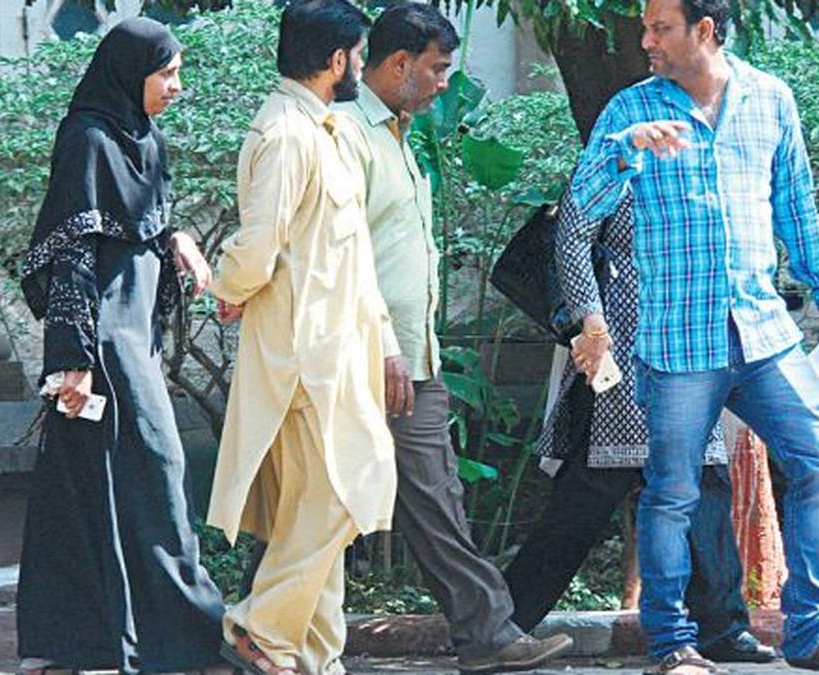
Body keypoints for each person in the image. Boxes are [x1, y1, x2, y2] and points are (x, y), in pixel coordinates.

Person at [570, 0, 819, 672]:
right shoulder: (631, 109)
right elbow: (582, 206)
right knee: (672, 492)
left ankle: (810, 634)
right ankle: (673, 643)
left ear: (705, 30)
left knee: (818, 463)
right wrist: (626, 150)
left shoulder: (770, 98)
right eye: (645, 27)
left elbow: (795, 203)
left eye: (660, 27)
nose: (646, 40)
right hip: (679, 341)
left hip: (763, 332)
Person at [334, 4, 574, 672]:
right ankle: (254, 622)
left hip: (411, 360)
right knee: (321, 503)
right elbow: (342, 253)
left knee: (432, 498)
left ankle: (488, 634)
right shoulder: (346, 136)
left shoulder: (397, 135)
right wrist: (384, 343)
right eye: (437, 68)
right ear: (399, 63)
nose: (445, 82)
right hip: (366, 357)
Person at [16, 17, 226, 675]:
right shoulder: (87, 138)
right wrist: (71, 362)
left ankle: (71, 640)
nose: (176, 85)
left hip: (134, 337)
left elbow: (136, 224)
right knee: (157, 474)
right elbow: (73, 251)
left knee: (82, 485)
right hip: (103, 344)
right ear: (130, 73)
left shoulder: (144, 140)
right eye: (166, 72)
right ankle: (186, 636)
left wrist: (177, 239)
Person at [502, 192, 776, 665]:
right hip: (616, 351)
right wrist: (591, 326)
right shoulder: (609, 166)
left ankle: (721, 629)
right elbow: (571, 244)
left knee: (705, 486)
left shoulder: (702, 168)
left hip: (688, 347)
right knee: (585, 497)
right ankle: (500, 624)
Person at [205, 2, 396, 674]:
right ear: (338, 59)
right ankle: (261, 626)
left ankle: (314, 657)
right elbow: (260, 239)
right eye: (359, 54)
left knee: (313, 510)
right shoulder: (287, 133)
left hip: (335, 351)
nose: (362, 66)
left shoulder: (323, 129)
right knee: (347, 491)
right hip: (305, 358)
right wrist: (232, 287)